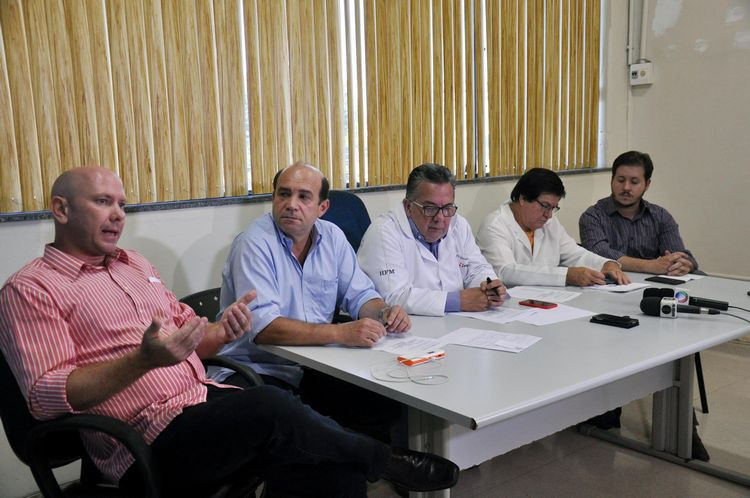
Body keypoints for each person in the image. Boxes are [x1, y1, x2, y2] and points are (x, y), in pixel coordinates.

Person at [0, 166, 459, 497]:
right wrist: (144, 360)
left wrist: (222, 331)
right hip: (146, 439)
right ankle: (385, 460)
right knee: (273, 407)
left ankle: (364, 461)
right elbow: (43, 396)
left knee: (331, 469)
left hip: (204, 400)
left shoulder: (134, 265)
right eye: (103, 202)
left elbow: (190, 341)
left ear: (321, 207)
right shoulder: (32, 289)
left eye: (122, 204)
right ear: (60, 209)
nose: (118, 215)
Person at [216, 161, 411, 443]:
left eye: (304, 197)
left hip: (314, 364)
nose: (291, 204)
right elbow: (265, 328)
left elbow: (360, 295)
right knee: (307, 425)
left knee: (381, 401)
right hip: (257, 369)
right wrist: (342, 333)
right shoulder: (254, 243)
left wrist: (384, 312)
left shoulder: (333, 238)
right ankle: (364, 466)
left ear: (322, 208)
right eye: (283, 194)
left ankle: (355, 471)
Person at [357, 163, 507, 316]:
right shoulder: (384, 232)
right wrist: (458, 301)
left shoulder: (458, 225)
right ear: (408, 207)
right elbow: (393, 297)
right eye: (430, 208)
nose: (440, 217)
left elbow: (477, 269)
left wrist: (488, 287)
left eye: (447, 207)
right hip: (409, 329)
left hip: (458, 322)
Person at [476, 167, 630, 287]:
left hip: (548, 304)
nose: (549, 215)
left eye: (553, 208)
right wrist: (566, 276)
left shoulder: (549, 222)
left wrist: (606, 263)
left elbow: (575, 253)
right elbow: (505, 272)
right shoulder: (495, 225)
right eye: (545, 206)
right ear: (523, 198)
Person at [579, 150, 699, 275]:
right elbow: (599, 254)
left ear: (647, 184)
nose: (626, 187)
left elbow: (676, 254)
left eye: (634, 182)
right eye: (620, 180)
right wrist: (651, 266)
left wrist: (684, 264)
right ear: (612, 180)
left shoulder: (661, 216)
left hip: (652, 286)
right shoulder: (592, 216)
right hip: (609, 285)